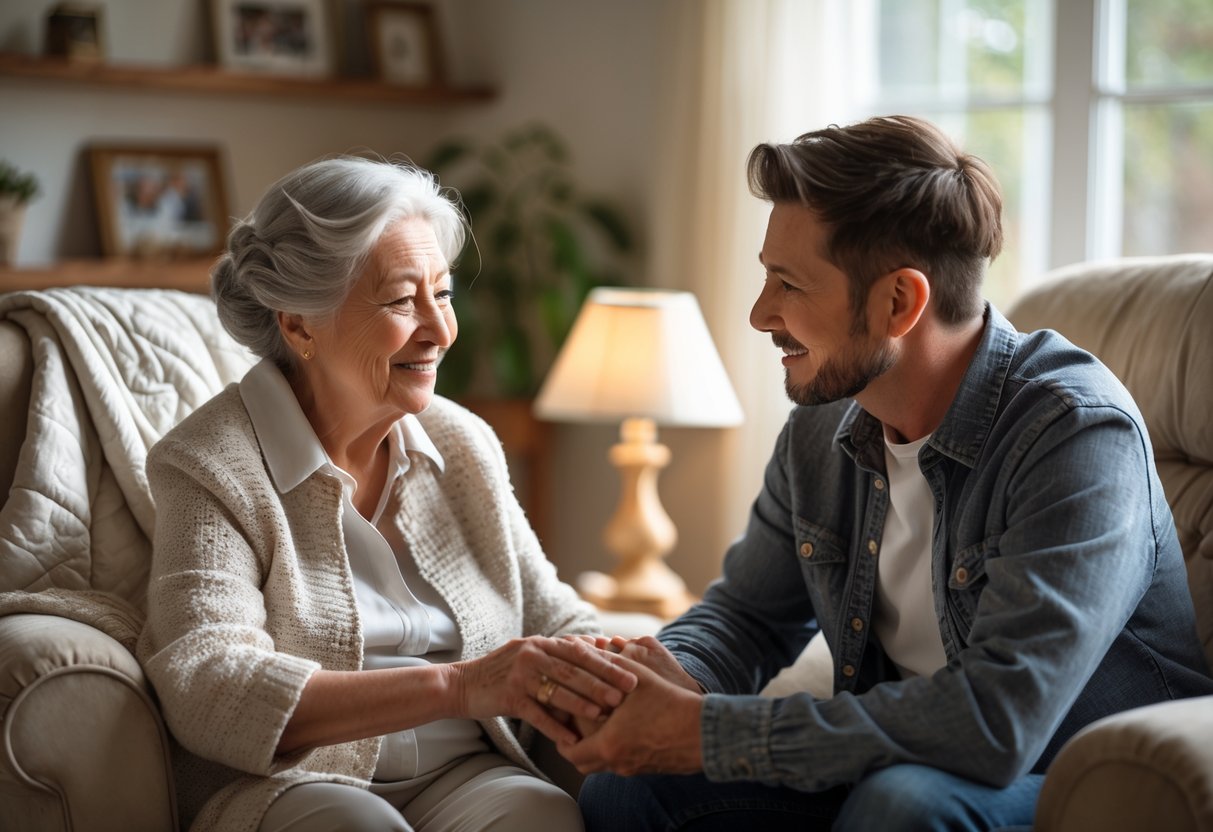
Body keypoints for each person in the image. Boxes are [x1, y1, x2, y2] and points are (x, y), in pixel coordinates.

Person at [563, 115, 1213, 831]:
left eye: (787, 283)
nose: (759, 314)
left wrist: (705, 734)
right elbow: (746, 615)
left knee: (898, 805)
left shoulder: (1075, 435)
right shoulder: (824, 423)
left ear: (898, 302)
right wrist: (657, 677)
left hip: (1076, 781)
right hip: (898, 765)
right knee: (627, 789)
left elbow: (997, 722)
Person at [136, 156, 636, 832]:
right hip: (295, 785)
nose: (438, 330)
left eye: (445, 294)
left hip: (466, 775)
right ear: (299, 323)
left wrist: (632, 668)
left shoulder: (461, 443)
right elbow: (209, 682)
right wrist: (457, 686)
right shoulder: (210, 464)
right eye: (402, 301)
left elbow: (548, 613)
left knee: (541, 813)